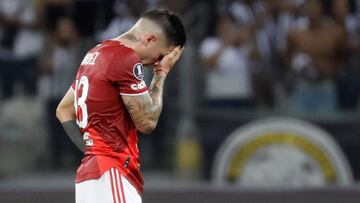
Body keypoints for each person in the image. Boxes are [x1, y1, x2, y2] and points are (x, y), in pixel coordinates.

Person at [56, 8, 186, 203]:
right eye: (161, 56)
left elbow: (64, 110)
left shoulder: (96, 53)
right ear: (149, 39)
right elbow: (148, 122)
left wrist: (93, 152)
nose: (156, 63)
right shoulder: (125, 58)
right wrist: (162, 73)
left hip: (93, 175)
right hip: (111, 173)